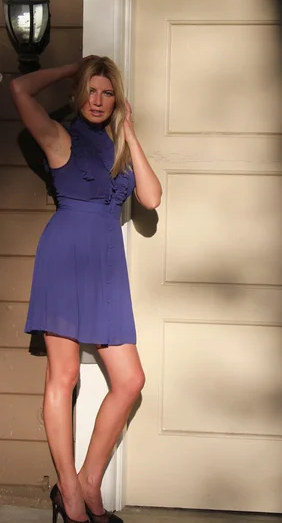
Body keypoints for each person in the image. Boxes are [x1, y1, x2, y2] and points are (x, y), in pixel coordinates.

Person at [10, 56, 162, 523]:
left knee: (130, 380)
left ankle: (90, 482)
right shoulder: (61, 137)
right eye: (90, 91)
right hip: (64, 259)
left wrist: (130, 130)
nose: (97, 101)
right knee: (64, 377)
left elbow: (151, 198)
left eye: (107, 93)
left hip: (106, 266)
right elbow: (19, 90)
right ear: (80, 93)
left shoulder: (118, 146)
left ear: (118, 99)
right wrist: (70, 70)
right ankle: (71, 497)